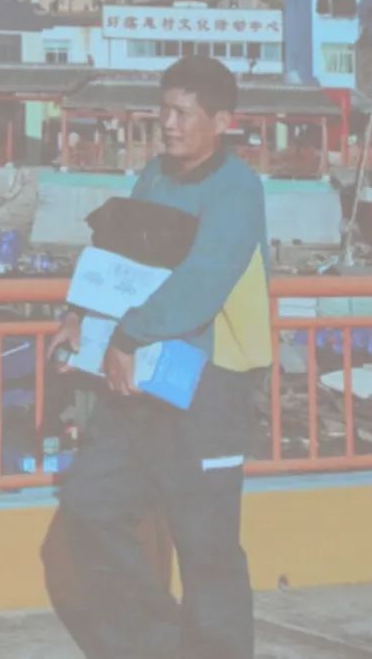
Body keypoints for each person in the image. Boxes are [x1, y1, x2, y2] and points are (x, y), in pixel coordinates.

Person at [46, 55, 272, 659]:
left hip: (211, 386)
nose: (168, 124)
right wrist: (80, 313)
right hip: (139, 383)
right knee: (90, 507)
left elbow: (203, 283)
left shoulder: (237, 189)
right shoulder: (154, 175)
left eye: (183, 113)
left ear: (222, 121)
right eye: (164, 110)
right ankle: (158, 644)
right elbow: (119, 255)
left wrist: (126, 337)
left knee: (207, 546)